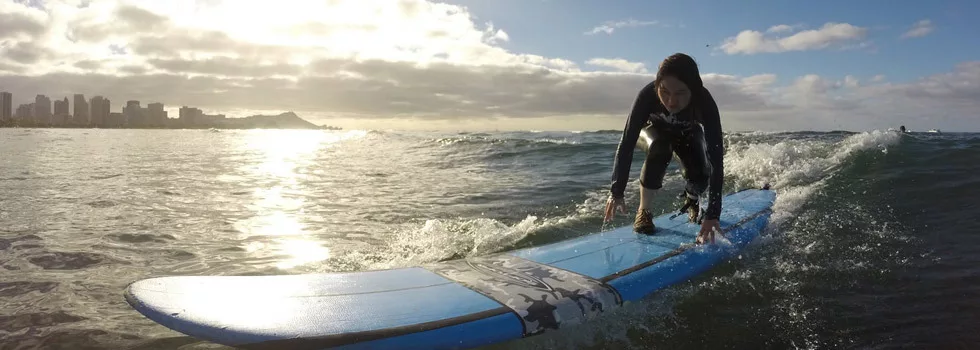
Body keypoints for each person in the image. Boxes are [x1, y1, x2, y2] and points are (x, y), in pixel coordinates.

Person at [602, 53, 725, 245]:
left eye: (680, 93)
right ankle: (644, 211)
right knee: (660, 146)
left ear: (693, 89)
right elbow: (627, 143)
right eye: (664, 91)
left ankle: (692, 198)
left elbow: (716, 157)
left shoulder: (704, 102)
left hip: (688, 131)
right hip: (653, 131)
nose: (671, 101)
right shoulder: (647, 95)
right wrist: (617, 191)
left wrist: (713, 214)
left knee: (702, 172)